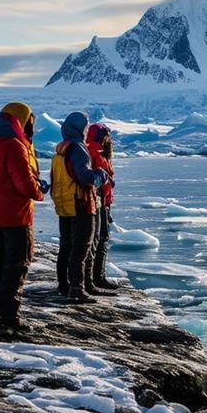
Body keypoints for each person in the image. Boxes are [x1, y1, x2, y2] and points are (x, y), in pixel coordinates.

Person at [0, 102, 48, 332]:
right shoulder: (15, 146)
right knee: (17, 265)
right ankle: (9, 317)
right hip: (17, 216)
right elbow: (24, 183)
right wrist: (39, 190)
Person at [51, 112, 107, 303]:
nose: (86, 130)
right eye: (85, 126)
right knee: (81, 247)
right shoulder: (78, 149)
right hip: (80, 203)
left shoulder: (61, 148)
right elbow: (85, 177)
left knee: (66, 246)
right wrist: (100, 175)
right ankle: (77, 287)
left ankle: (64, 284)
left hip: (64, 204)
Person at [86, 123, 120, 291]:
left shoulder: (100, 152)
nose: (108, 138)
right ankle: (96, 278)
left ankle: (96, 276)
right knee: (99, 240)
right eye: (105, 135)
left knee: (100, 239)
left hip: (103, 201)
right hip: (98, 201)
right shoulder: (93, 152)